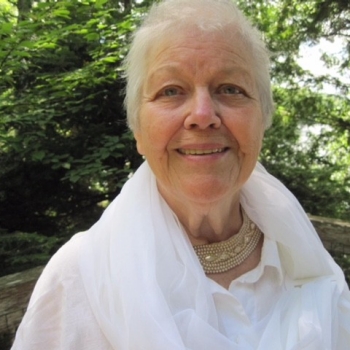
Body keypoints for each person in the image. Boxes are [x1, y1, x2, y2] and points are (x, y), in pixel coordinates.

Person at [11, 0, 350, 349]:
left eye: (230, 89)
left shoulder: (306, 262)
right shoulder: (78, 277)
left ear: (262, 121)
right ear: (138, 131)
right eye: (170, 91)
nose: (202, 115)